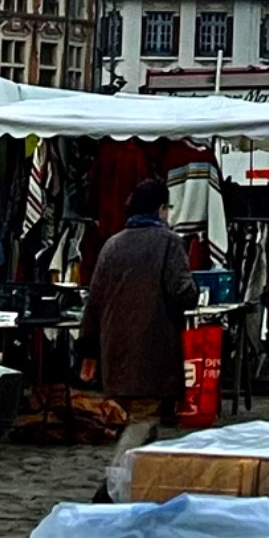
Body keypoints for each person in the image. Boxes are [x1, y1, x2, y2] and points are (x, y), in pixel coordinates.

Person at [78, 178, 199, 472]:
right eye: (167, 207)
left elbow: (94, 301)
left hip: (115, 349)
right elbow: (182, 292)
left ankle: (145, 482)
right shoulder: (168, 243)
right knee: (143, 419)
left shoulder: (112, 244)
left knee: (141, 418)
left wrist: (87, 347)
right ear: (160, 209)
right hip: (151, 348)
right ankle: (115, 481)